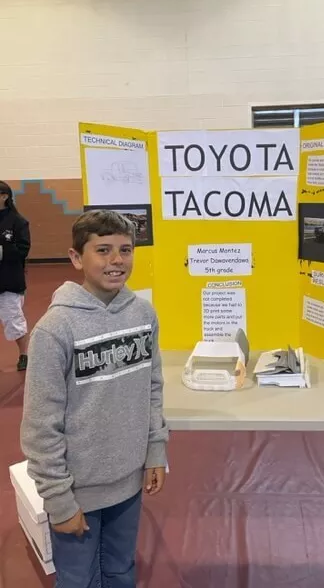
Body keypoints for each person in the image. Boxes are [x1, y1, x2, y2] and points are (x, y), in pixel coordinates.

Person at [21, 209, 169, 588]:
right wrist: (59, 500)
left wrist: (154, 450)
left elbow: (152, 386)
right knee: (77, 580)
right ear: (76, 258)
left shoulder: (143, 313)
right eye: (102, 250)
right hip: (76, 490)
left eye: (125, 249)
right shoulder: (55, 329)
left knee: (120, 570)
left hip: (129, 481)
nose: (117, 260)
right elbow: (40, 424)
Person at [0, 180, 30, 371]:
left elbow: (23, 249)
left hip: (9, 280)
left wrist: (2, 251)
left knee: (14, 320)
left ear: (4, 197)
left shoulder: (18, 221)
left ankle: (24, 354)